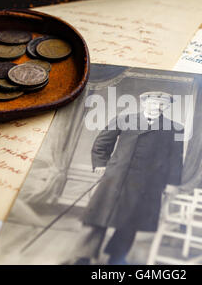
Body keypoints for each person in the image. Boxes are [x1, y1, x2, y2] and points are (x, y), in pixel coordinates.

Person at [70, 91, 184, 265]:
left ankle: (117, 257)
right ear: (144, 103)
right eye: (154, 102)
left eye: (162, 104)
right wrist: (101, 164)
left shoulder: (175, 128)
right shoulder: (124, 119)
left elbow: (176, 159)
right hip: (116, 177)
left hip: (148, 183)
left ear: (167, 107)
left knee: (131, 222)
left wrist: (172, 183)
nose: (157, 107)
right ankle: (83, 255)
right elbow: (102, 143)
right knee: (98, 217)